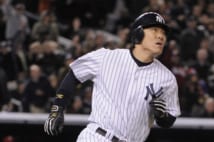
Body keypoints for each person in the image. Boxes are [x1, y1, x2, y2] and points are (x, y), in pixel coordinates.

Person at [44, 12, 181, 142]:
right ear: (138, 33)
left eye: (163, 33)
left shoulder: (166, 78)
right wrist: (57, 109)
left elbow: (169, 121)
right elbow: (73, 75)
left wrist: (162, 116)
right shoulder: (107, 57)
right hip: (97, 137)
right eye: (154, 30)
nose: (161, 36)